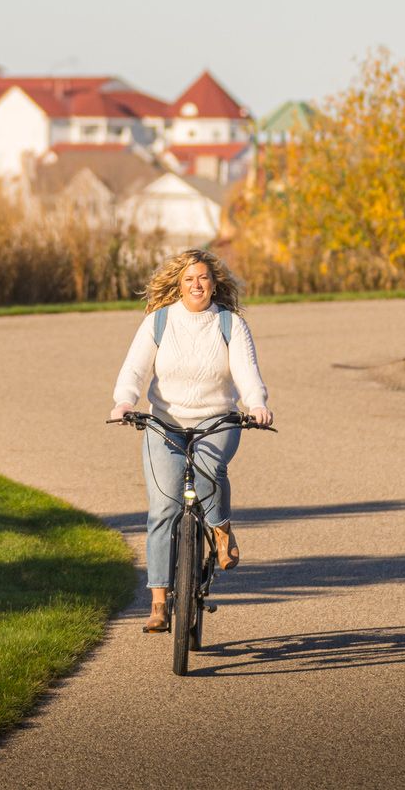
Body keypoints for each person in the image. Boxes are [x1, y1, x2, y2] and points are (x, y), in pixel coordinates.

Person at [109, 248, 272, 634]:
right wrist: (124, 401)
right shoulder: (159, 322)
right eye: (188, 279)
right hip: (165, 421)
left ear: (214, 283)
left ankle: (220, 529)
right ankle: (160, 603)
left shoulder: (229, 324)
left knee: (208, 467)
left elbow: (246, 373)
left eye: (203, 278)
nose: (196, 285)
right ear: (178, 285)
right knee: (163, 507)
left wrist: (256, 404)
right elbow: (135, 367)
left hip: (217, 418)